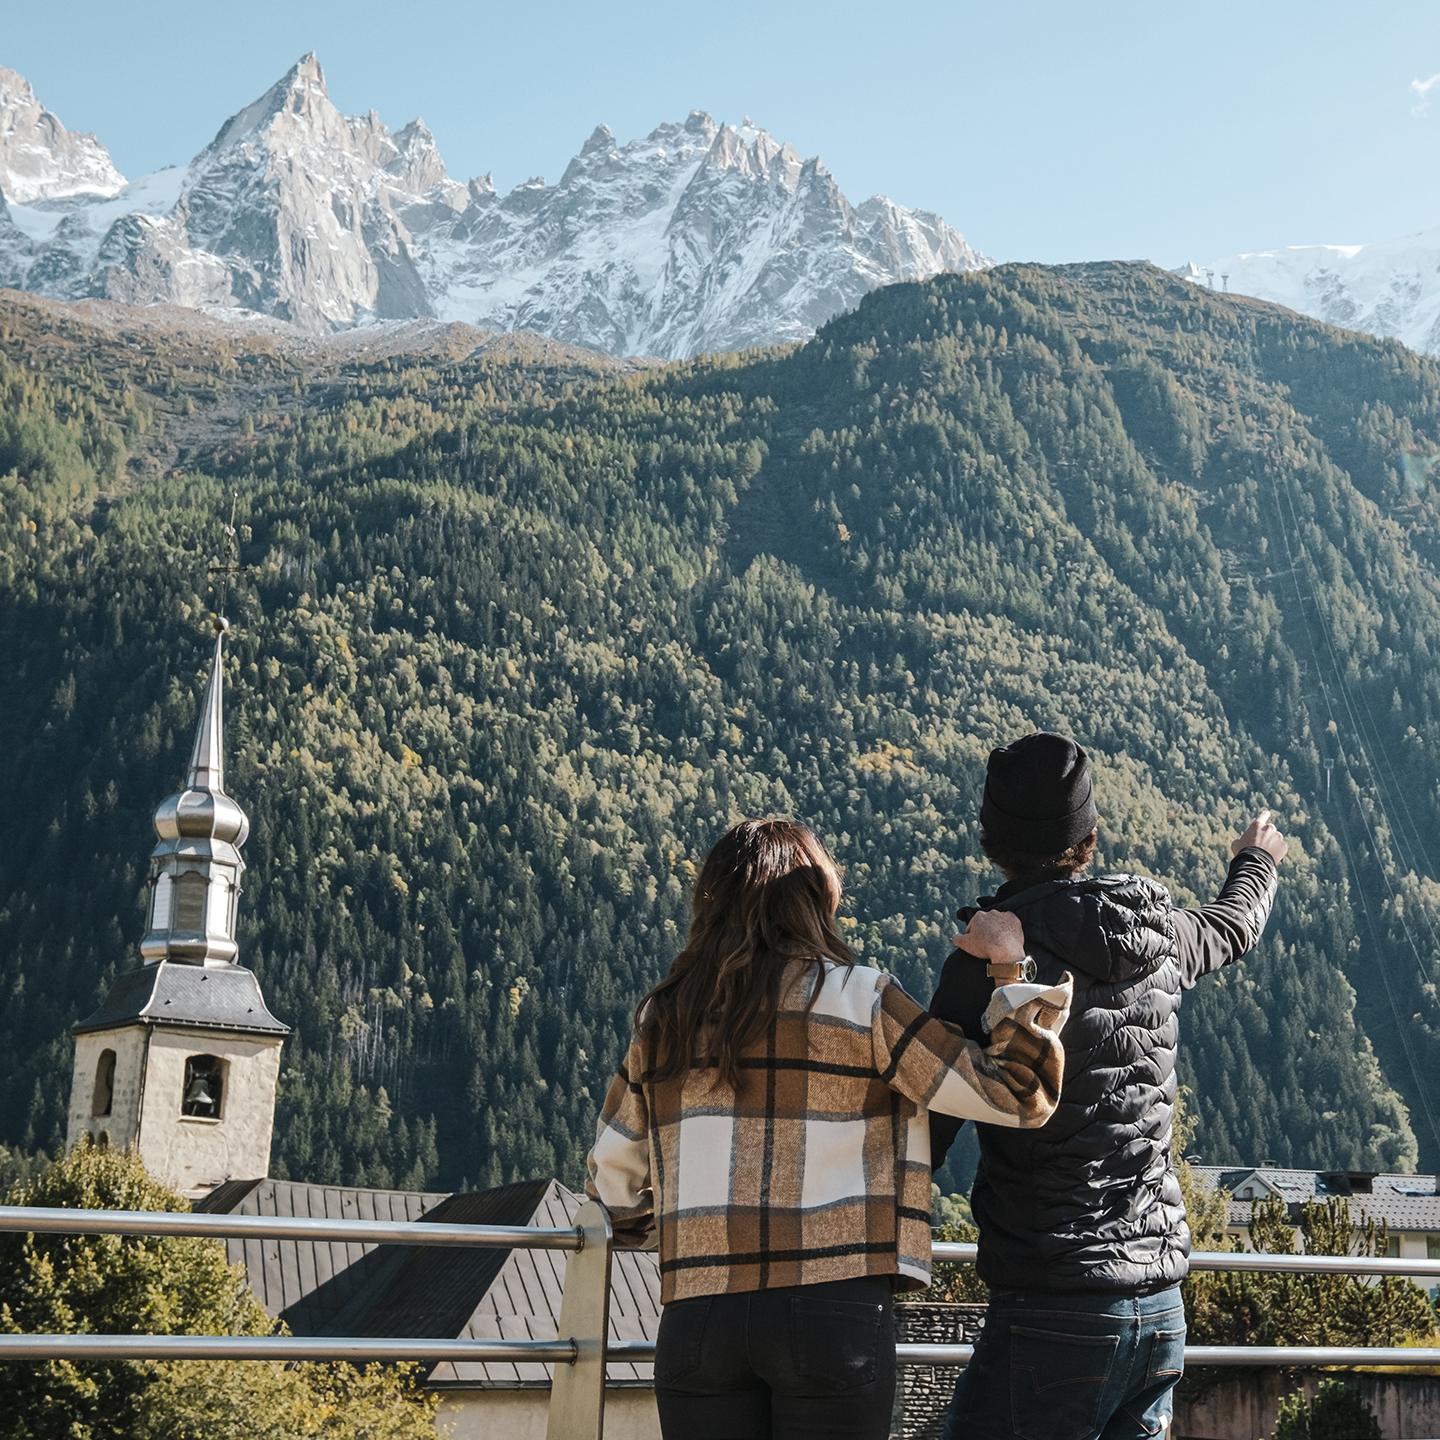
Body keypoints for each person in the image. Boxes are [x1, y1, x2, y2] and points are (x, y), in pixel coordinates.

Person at [586, 817, 1073, 1440]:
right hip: (832, 1312)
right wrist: (1009, 969)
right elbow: (1019, 1094)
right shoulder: (861, 999)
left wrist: (680, 1227)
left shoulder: (665, 1015)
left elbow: (614, 1184)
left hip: (699, 1317)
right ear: (818, 901)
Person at [929, 732, 1286, 1440]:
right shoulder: (1155, 934)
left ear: (989, 839)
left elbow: (926, 1126)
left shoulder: (991, 958)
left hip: (1051, 1305)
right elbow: (1232, 925)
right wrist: (1256, 861)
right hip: (1158, 1303)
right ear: (1090, 837)